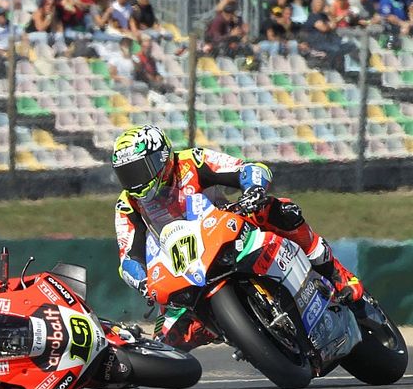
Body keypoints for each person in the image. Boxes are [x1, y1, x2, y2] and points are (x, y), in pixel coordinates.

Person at [110, 125, 363, 350]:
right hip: (182, 267)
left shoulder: (192, 161)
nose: (134, 182)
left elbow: (247, 169)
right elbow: (128, 259)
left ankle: (337, 274)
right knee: (165, 340)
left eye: (138, 171)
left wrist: (253, 189)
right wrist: (143, 282)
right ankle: (221, 327)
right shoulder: (127, 204)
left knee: (280, 211)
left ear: (161, 158)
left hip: (224, 229)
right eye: (126, 175)